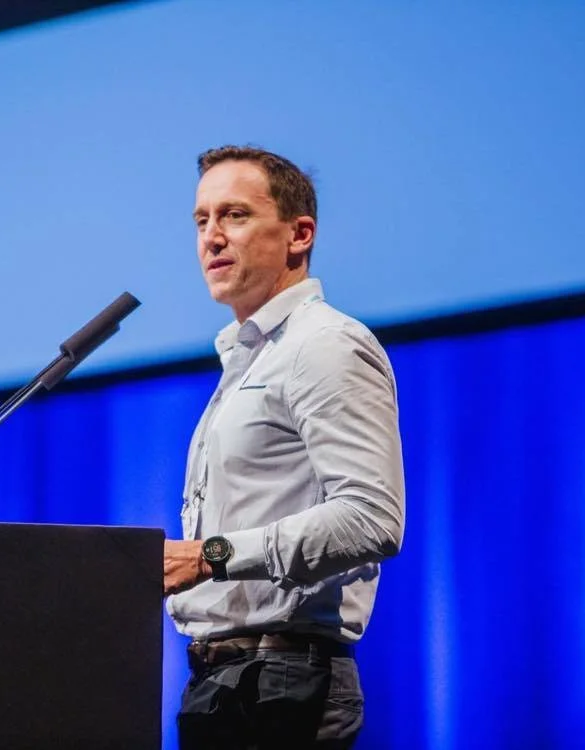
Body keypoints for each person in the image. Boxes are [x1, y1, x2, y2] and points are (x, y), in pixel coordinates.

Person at [162, 145, 406, 749]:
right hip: (222, 682)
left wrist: (210, 556)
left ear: (299, 234)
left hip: (285, 686)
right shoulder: (247, 359)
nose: (212, 236)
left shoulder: (324, 345)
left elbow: (372, 518)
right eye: (201, 220)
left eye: (235, 215)